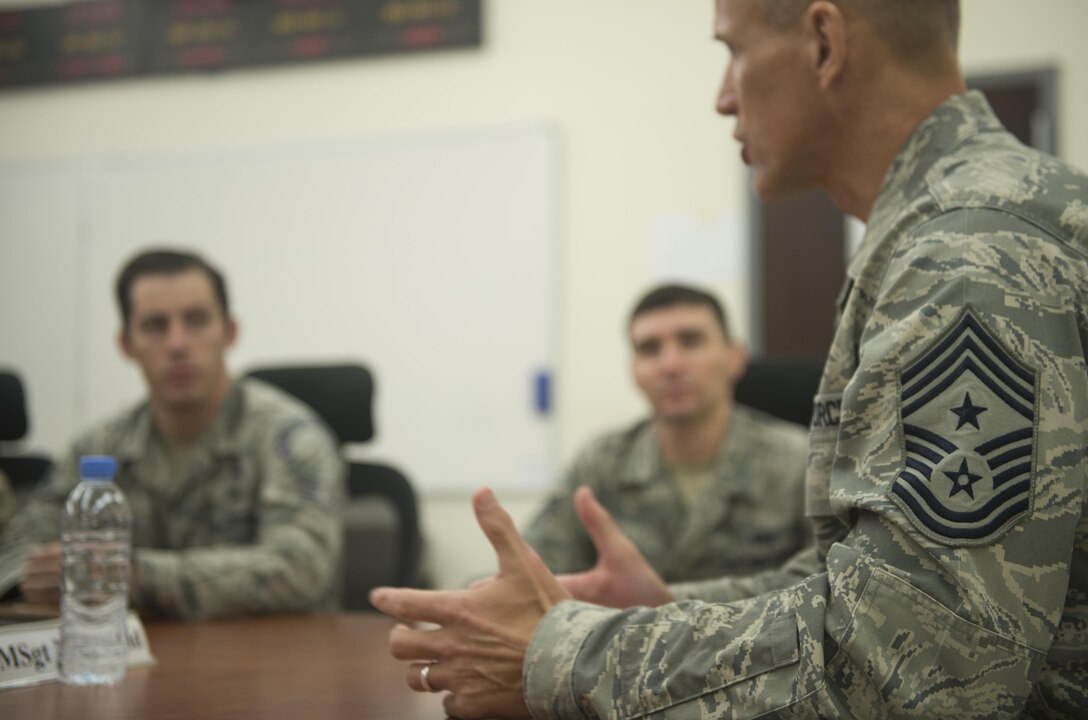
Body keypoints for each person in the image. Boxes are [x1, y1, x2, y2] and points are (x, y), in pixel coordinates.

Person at [370, 1, 1088, 717]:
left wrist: (561, 654)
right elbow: (870, 579)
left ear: (823, 42)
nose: (721, 97)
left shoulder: (969, 255)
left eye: (734, 52)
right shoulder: (956, 226)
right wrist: (659, 613)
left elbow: (915, 661)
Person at [0, 249, 345, 621]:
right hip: (129, 663)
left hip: (277, 660)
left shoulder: (288, 438)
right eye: (155, 326)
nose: (177, 344)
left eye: (196, 321)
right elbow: (17, 550)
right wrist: (35, 579)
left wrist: (130, 576)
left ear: (229, 332)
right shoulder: (98, 447)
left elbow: (299, 568)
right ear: (126, 344)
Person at [523, 283, 810, 585]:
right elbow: (538, 573)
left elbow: (829, 588)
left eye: (690, 341)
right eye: (650, 349)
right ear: (634, 371)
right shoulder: (601, 464)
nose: (670, 365)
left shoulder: (797, 462)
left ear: (735, 358)